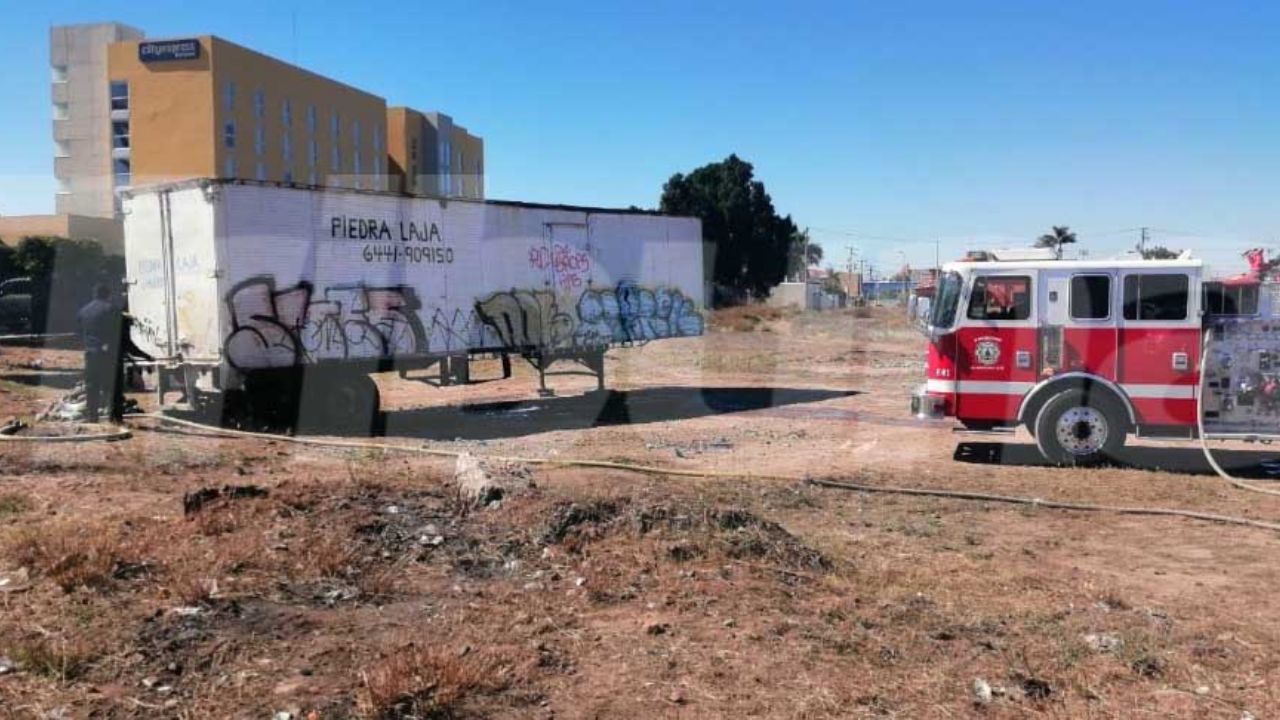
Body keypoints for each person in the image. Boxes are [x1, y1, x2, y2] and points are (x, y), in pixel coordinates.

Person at [76, 284, 123, 423]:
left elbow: (78, 333)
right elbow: (117, 330)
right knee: (110, 385)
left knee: (92, 385)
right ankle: (113, 417)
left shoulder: (83, 310)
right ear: (108, 294)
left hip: (90, 352)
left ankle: (92, 416)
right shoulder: (111, 309)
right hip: (107, 353)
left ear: (94, 294)